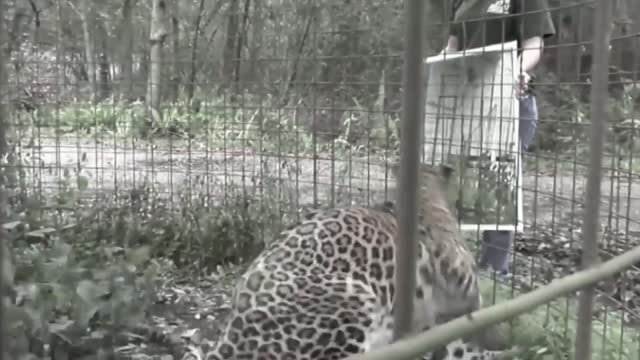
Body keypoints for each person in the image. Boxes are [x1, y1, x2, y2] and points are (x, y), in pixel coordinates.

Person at [441, 0, 556, 273]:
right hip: (467, 100)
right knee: (454, 180)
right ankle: (453, 266)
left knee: (497, 182)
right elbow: (452, 48)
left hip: (510, 100)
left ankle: (494, 272)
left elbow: (533, 45)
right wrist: (439, 72)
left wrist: (518, 71)